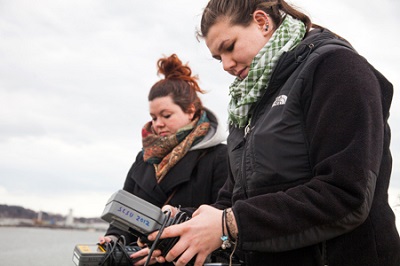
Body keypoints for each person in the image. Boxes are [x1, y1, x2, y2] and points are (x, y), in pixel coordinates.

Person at [141, 0, 400, 265]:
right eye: (218, 58)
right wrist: (183, 223)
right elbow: (234, 199)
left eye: (229, 47)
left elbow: (347, 194)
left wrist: (228, 224)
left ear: (262, 22)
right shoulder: (249, 102)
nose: (226, 65)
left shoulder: (337, 68)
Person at [98, 54, 228, 265]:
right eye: (153, 117)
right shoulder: (144, 159)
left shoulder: (219, 157)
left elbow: (223, 218)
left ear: (190, 111)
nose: (158, 124)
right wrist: (113, 239)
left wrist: (174, 222)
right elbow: (123, 210)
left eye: (166, 115)